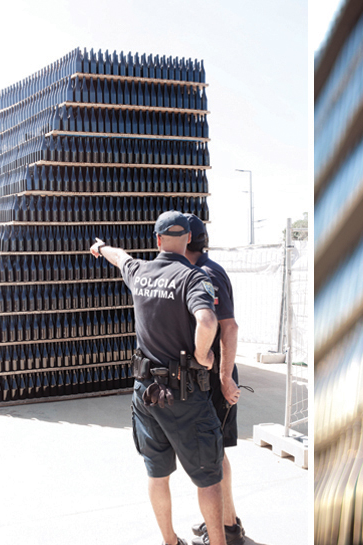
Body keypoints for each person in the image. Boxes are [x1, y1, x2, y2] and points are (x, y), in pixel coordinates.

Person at [90, 210, 227, 545]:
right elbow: (208, 322)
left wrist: (100, 247)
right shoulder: (193, 278)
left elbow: (119, 257)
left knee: (157, 473)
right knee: (208, 477)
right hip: (184, 396)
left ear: (158, 239)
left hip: (146, 393)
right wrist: (202, 354)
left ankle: (170, 540)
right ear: (189, 239)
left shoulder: (140, 271)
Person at [183, 214, 244, 545]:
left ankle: (227, 528)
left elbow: (228, 326)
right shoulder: (199, 271)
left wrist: (223, 377)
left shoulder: (205, 274)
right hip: (208, 377)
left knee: (212, 454)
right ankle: (223, 521)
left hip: (214, 378)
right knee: (213, 452)